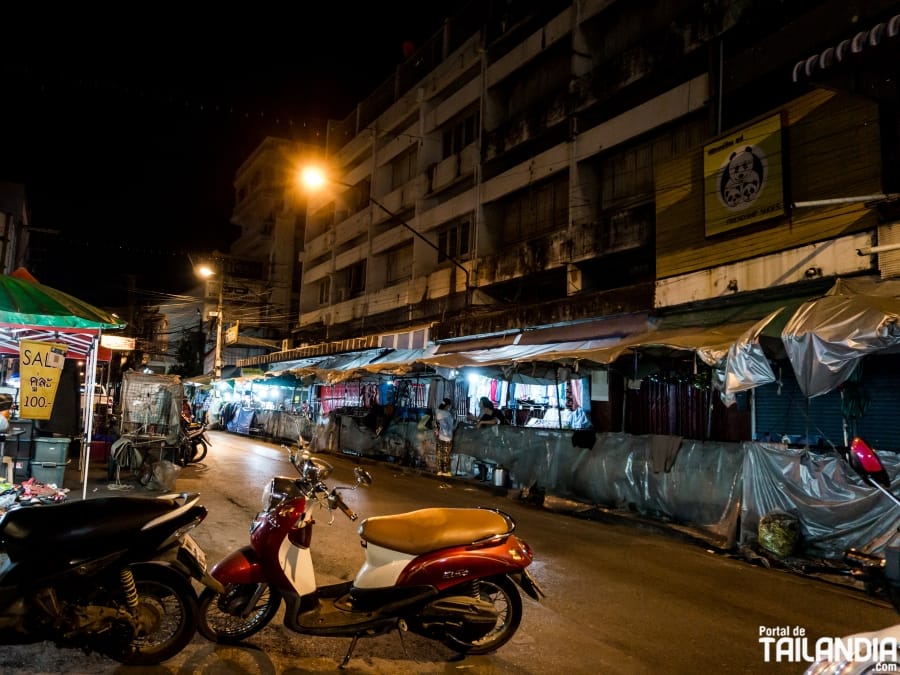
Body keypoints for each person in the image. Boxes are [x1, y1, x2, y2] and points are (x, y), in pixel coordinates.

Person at [433, 397, 456, 477]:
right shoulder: (448, 414)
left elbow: (435, 424)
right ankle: (445, 471)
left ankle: (439, 470)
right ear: (447, 406)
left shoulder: (437, 412)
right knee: (446, 454)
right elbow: (452, 427)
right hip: (447, 437)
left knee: (439, 454)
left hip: (439, 436)